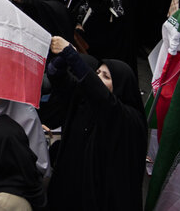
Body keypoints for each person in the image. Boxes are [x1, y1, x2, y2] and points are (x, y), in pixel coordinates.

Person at [47, 36, 146, 211]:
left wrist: (71, 54)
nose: (98, 77)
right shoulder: (85, 101)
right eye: (97, 73)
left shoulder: (128, 118)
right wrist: (63, 57)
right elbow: (55, 74)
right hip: (70, 188)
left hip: (101, 197)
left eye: (106, 76)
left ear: (120, 85)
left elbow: (103, 98)